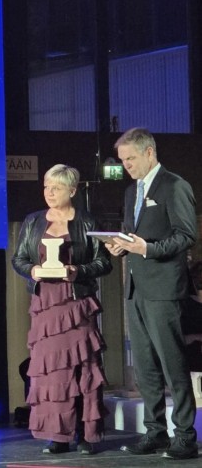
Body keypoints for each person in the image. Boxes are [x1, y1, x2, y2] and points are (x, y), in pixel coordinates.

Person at [108, 128, 199, 460]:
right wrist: (121, 245)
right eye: (123, 161)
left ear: (149, 153)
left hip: (163, 288)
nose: (127, 166)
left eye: (131, 159)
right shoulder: (131, 191)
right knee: (145, 365)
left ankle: (185, 436)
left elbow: (186, 235)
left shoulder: (174, 186)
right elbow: (133, 234)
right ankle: (155, 431)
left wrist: (147, 248)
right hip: (135, 288)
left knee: (173, 363)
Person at [11, 164, 111, 455]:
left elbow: (103, 263)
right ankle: (58, 435)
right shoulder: (33, 221)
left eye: (56, 187)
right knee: (53, 374)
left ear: (73, 190)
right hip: (46, 307)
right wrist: (32, 270)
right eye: (46, 186)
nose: (49, 192)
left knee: (83, 368)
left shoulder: (87, 222)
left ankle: (86, 433)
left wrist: (78, 271)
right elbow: (18, 259)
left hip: (76, 305)